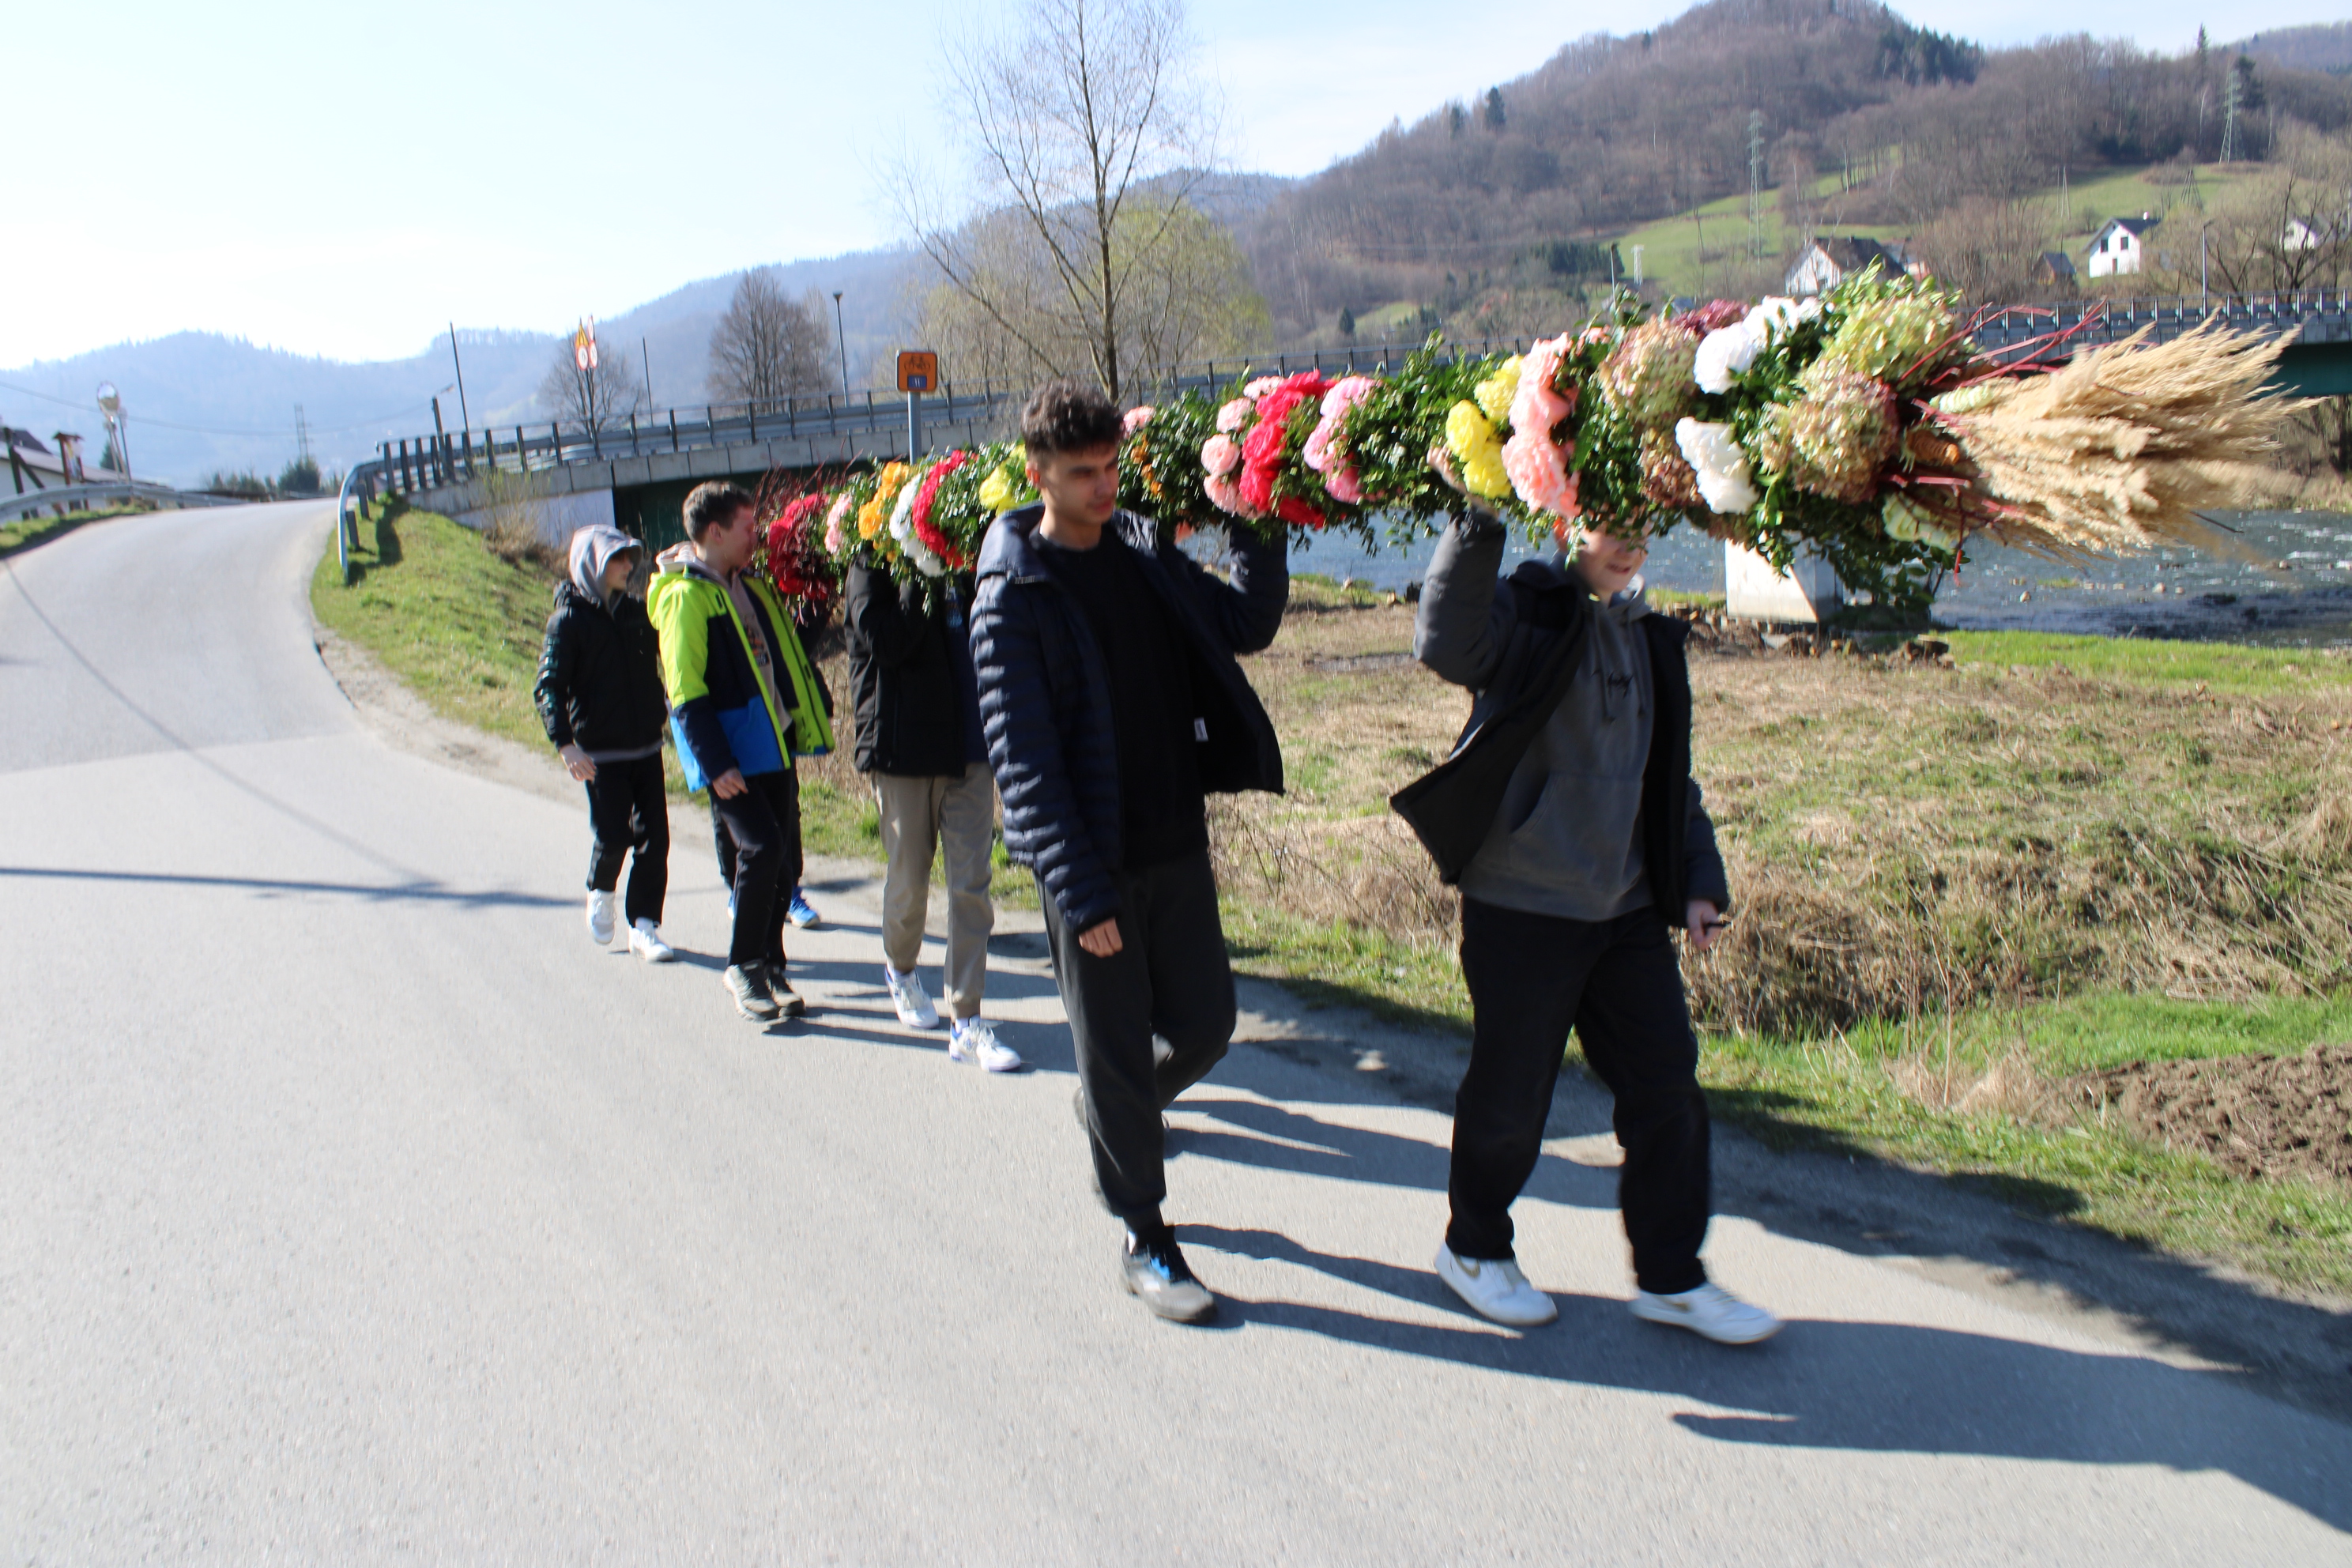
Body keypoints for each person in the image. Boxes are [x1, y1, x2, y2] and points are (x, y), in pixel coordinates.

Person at [1393, 502, 1780, 1345]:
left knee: (1667, 1090)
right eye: (1611, 527)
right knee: (1511, 1095)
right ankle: (1473, 1250)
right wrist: (1478, 519)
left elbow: (1668, 778)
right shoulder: (1527, 609)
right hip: (1524, 905)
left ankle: (1672, 1278)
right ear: (1569, 525)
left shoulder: (1649, 639)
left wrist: (1698, 882)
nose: (1629, 547)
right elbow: (1445, 643)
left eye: (1643, 531)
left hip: (1626, 912)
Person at [971, 379, 1287, 1324]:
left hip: (1175, 841)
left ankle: (1117, 1111)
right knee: (1112, 1050)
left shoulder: (1145, 554)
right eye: (1083, 473)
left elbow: (1244, 624)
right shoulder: (1013, 595)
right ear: (1037, 474)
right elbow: (1023, 761)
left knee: (1207, 1026)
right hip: (1094, 864)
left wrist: (1257, 514)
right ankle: (1146, 1235)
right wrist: (1079, 890)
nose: (1105, 486)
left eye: (1112, 466)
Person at [648, 481, 835, 1022]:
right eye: (748, 527)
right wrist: (714, 762)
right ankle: (743, 966)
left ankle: (772, 965)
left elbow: (788, 649)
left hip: (771, 742)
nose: (757, 535)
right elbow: (685, 690)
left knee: (782, 862)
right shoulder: (685, 598)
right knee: (760, 847)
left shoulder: (749, 585)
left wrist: (818, 595)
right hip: (731, 755)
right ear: (715, 532)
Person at [845, 557, 1022, 1072]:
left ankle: (966, 1020)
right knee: (909, 879)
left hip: (971, 751)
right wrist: (917, 575)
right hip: (906, 751)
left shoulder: (969, 560)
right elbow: (887, 643)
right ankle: (901, 969)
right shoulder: (870, 567)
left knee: (971, 887)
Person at [534, 522, 675, 963]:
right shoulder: (568, 622)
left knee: (655, 840)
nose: (628, 566)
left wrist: (670, 698)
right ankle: (600, 889)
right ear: (592, 564)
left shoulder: (637, 612)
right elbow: (548, 687)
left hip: (647, 746)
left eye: (629, 557)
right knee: (614, 835)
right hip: (600, 754)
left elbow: (667, 652)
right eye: (617, 558)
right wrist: (565, 744)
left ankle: (644, 927)